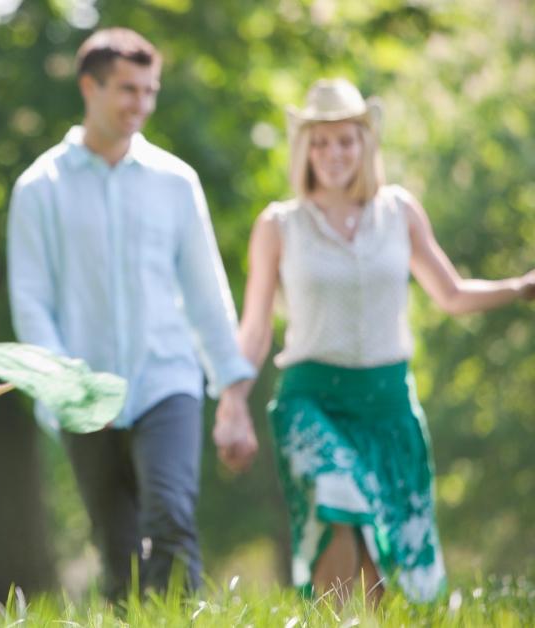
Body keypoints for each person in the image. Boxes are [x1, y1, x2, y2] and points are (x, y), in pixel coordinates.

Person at [220, 78, 535, 604]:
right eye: (319, 141)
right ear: (304, 149)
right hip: (311, 398)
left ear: (366, 143)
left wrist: (521, 288)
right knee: (336, 501)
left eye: (345, 139)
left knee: (401, 575)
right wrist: (233, 403)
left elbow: (451, 294)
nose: (333, 153)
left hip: (388, 401)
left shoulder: (399, 212)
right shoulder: (280, 224)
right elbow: (254, 329)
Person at [6, 28, 256, 598]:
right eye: (126, 89)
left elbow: (206, 291)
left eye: (149, 90)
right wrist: (59, 385)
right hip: (82, 393)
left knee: (171, 517)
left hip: (166, 382)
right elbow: (31, 299)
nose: (140, 104)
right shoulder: (39, 188)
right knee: (115, 545)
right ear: (89, 86)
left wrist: (233, 392)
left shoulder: (175, 182)